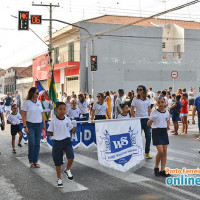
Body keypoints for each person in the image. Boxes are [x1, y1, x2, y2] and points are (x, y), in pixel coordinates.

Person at [47, 102, 76, 187]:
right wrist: (57, 134)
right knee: (58, 162)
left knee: (71, 157)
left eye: (64, 109)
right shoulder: (54, 121)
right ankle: (59, 179)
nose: (62, 111)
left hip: (67, 141)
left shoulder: (67, 119)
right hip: (57, 142)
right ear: (56, 110)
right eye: (60, 109)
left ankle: (67, 169)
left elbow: (72, 131)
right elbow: (49, 132)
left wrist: (75, 126)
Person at [21, 87, 46, 168]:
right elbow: (23, 114)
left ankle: (36, 161)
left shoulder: (39, 102)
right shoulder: (26, 102)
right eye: (37, 93)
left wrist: (44, 125)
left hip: (39, 125)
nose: (38, 94)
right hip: (30, 125)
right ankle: (31, 161)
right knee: (32, 143)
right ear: (32, 93)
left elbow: (42, 114)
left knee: (37, 144)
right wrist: (25, 126)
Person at [147, 97, 171, 177]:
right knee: (160, 151)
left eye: (162, 102)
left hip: (163, 132)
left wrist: (167, 126)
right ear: (157, 103)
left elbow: (168, 119)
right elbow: (148, 124)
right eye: (159, 102)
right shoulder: (154, 113)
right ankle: (156, 167)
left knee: (165, 151)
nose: (161, 104)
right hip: (156, 132)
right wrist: (151, 120)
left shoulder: (167, 112)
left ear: (165, 103)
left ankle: (162, 170)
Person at [131, 85, 152, 159]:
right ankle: (137, 152)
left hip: (146, 119)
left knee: (148, 137)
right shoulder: (135, 99)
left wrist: (150, 118)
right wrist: (134, 118)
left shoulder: (147, 99)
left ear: (144, 91)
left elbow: (149, 109)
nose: (139, 91)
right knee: (137, 137)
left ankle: (147, 152)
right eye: (138, 90)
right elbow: (132, 110)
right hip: (138, 120)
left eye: (140, 90)